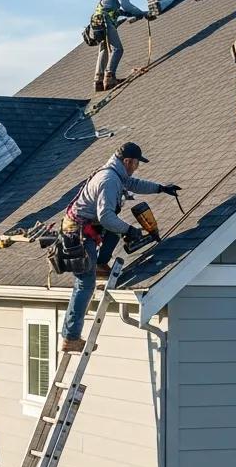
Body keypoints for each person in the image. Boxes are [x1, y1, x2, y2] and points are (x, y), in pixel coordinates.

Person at [60, 142, 179, 352]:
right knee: (84, 285)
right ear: (127, 161)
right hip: (77, 234)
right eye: (136, 164)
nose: (136, 168)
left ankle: (100, 264)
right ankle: (70, 337)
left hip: (85, 227)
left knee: (115, 230)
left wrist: (160, 188)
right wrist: (130, 230)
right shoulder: (109, 180)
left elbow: (134, 184)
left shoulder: (116, 174)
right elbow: (106, 217)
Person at [92, 0, 153, 93]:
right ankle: (109, 78)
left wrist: (137, 13)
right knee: (118, 49)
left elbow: (119, 10)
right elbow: (126, 5)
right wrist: (142, 13)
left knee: (103, 49)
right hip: (105, 20)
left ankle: (98, 81)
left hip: (98, 22)